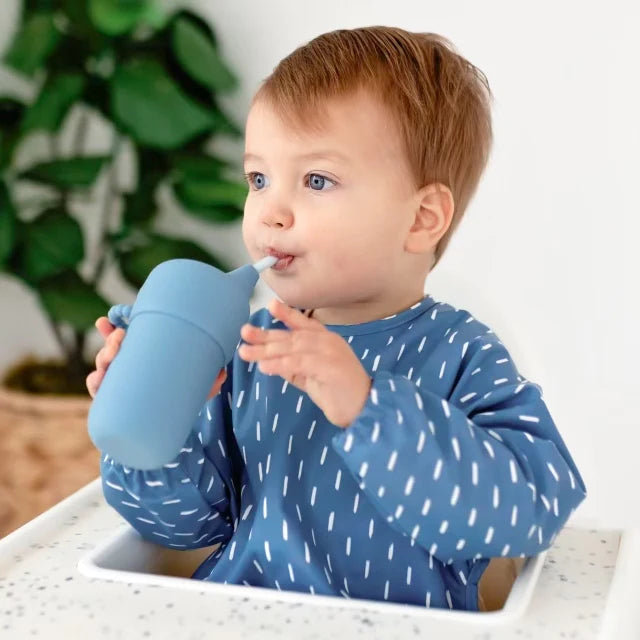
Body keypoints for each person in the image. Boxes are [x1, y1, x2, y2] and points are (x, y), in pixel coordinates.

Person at [86, 26, 587, 611]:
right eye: (259, 178)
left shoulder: (461, 353)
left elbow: (529, 514)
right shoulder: (248, 348)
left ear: (423, 218)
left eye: (317, 180)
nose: (270, 210)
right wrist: (151, 430)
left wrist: (368, 407)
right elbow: (183, 530)